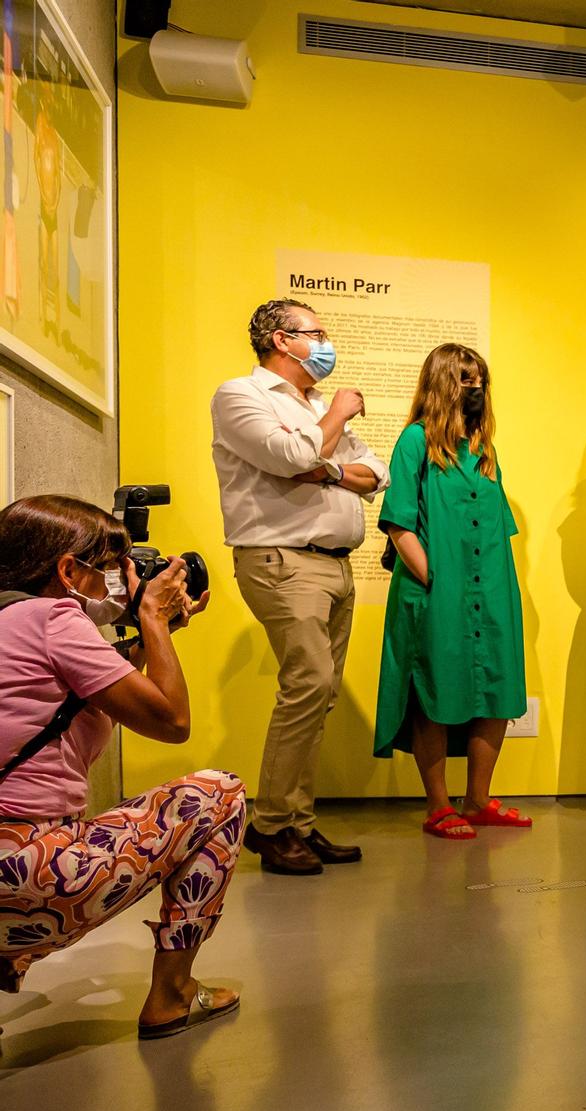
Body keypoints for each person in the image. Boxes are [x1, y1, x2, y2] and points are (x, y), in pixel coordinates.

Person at [0, 496, 244, 1039]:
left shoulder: (14, 622)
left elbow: (87, 692)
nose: (116, 584)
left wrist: (158, 634)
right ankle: (173, 991)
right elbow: (171, 720)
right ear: (67, 571)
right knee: (219, 794)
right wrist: (152, 614)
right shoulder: (54, 617)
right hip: (24, 877)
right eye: (108, 569)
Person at [211, 298, 386, 876]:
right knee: (307, 685)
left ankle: (298, 826)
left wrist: (327, 465)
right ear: (282, 340)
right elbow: (290, 456)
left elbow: (374, 473)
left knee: (321, 695)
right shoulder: (241, 395)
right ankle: (270, 828)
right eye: (317, 332)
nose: (326, 341)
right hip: (282, 561)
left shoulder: (308, 405)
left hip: (334, 564)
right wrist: (334, 416)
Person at [374, 345, 531, 840]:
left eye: (480, 377)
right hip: (436, 590)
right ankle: (439, 804)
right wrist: (435, 581)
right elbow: (400, 525)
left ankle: (479, 800)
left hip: (492, 588)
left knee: (495, 690)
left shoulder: (485, 451)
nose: (476, 386)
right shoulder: (414, 442)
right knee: (434, 691)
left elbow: (494, 528)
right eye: (465, 377)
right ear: (442, 381)